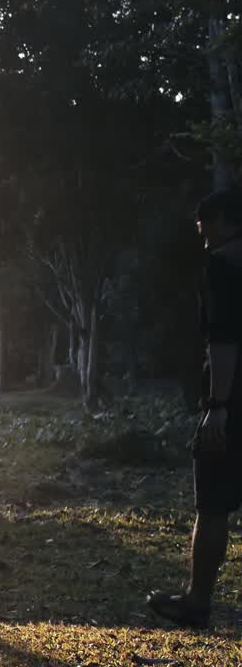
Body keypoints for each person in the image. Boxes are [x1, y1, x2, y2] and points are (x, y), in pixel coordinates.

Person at [148, 188, 242, 629]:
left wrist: (217, 405)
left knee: (213, 503)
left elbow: (222, 340)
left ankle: (197, 600)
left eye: (204, 224)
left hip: (231, 402)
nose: (201, 233)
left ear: (224, 219)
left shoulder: (222, 266)